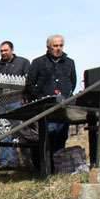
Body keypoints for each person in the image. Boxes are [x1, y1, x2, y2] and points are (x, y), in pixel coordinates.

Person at [25, 34, 77, 164]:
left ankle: (58, 166)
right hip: (46, 107)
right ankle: (44, 167)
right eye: (55, 46)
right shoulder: (38, 62)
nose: (58, 48)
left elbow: (73, 82)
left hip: (63, 106)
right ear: (48, 47)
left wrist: (66, 94)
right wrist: (40, 97)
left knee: (61, 136)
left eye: (60, 45)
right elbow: (30, 84)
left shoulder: (69, 62)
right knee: (48, 136)